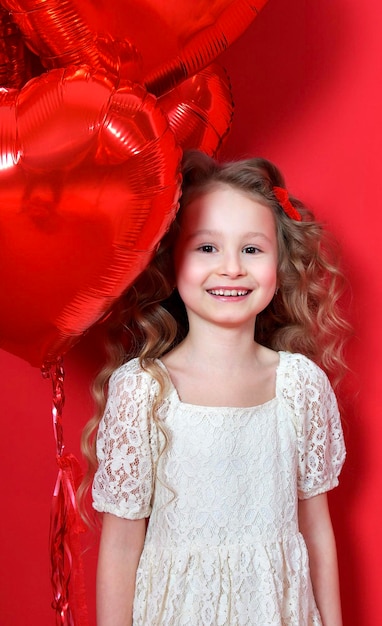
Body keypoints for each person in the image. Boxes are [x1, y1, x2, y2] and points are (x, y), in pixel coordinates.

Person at [80, 150, 351, 626]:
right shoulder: (143, 392)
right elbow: (121, 546)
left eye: (251, 249)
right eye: (208, 247)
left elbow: (316, 530)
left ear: (279, 263)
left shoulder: (300, 386)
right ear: (171, 259)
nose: (231, 268)